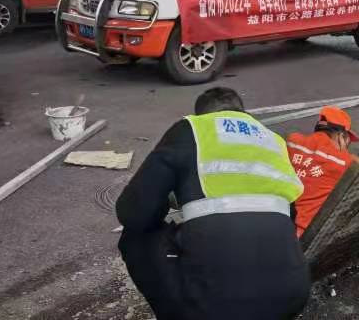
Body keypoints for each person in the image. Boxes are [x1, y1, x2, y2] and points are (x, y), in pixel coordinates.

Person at [115, 87, 311, 320]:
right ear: (242, 112)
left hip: (212, 309)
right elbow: (288, 215)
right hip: (292, 298)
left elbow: (133, 212)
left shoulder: (193, 129)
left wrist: (170, 211)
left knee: (134, 236)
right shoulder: (273, 140)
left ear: (202, 114)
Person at [286, 106, 359, 238]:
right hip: (307, 234)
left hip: (280, 223)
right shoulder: (346, 162)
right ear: (341, 136)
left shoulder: (291, 142)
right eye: (348, 141)